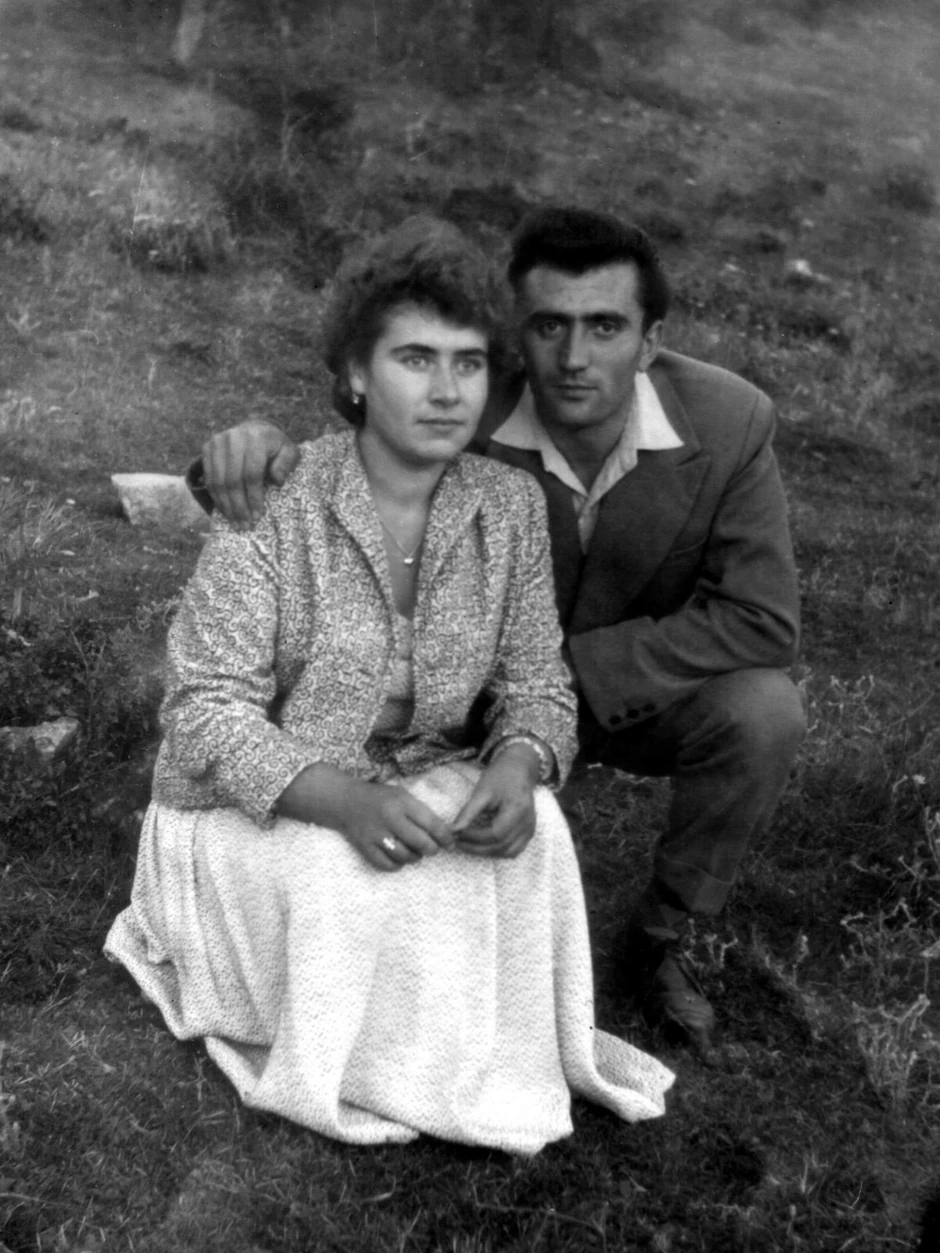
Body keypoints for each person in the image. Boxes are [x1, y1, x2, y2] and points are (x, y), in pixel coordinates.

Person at [105, 217, 673, 1155]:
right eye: (416, 359)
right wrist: (342, 801)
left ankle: (457, 1052)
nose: (447, 391)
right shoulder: (277, 496)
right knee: (344, 873)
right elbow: (203, 711)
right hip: (252, 799)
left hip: (410, 765)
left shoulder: (508, 506)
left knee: (535, 838)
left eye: (469, 363)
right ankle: (361, 1056)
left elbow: (538, 680)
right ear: (357, 374)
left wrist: (519, 766)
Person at [190, 206, 806, 1055]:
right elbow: (340, 446)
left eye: (605, 327)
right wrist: (246, 450)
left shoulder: (731, 421)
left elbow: (763, 619)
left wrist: (559, 681)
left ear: (651, 340)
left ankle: (669, 935)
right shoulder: (469, 397)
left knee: (765, 711)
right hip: (455, 702)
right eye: (548, 325)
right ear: (515, 332)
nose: (574, 357)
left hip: (615, 688)